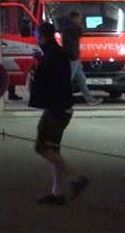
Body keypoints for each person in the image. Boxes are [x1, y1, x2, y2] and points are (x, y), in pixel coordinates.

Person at [27, 21, 90, 206]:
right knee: (53, 150)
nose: (37, 39)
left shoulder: (52, 56)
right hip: (62, 107)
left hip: (56, 109)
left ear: (43, 36)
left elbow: (47, 80)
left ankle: (77, 178)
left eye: (38, 35)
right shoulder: (55, 53)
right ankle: (57, 193)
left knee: (42, 147)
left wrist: (39, 65)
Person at [62, 11, 103, 106]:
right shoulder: (71, 28)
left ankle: (90, 100)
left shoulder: (68, 27)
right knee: (68, 80)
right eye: (79, 18)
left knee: (81, 80)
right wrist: (79, 25)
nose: (80, 20)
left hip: (74, 57)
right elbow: (81, 32)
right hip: (72, 57)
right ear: (74, 18)